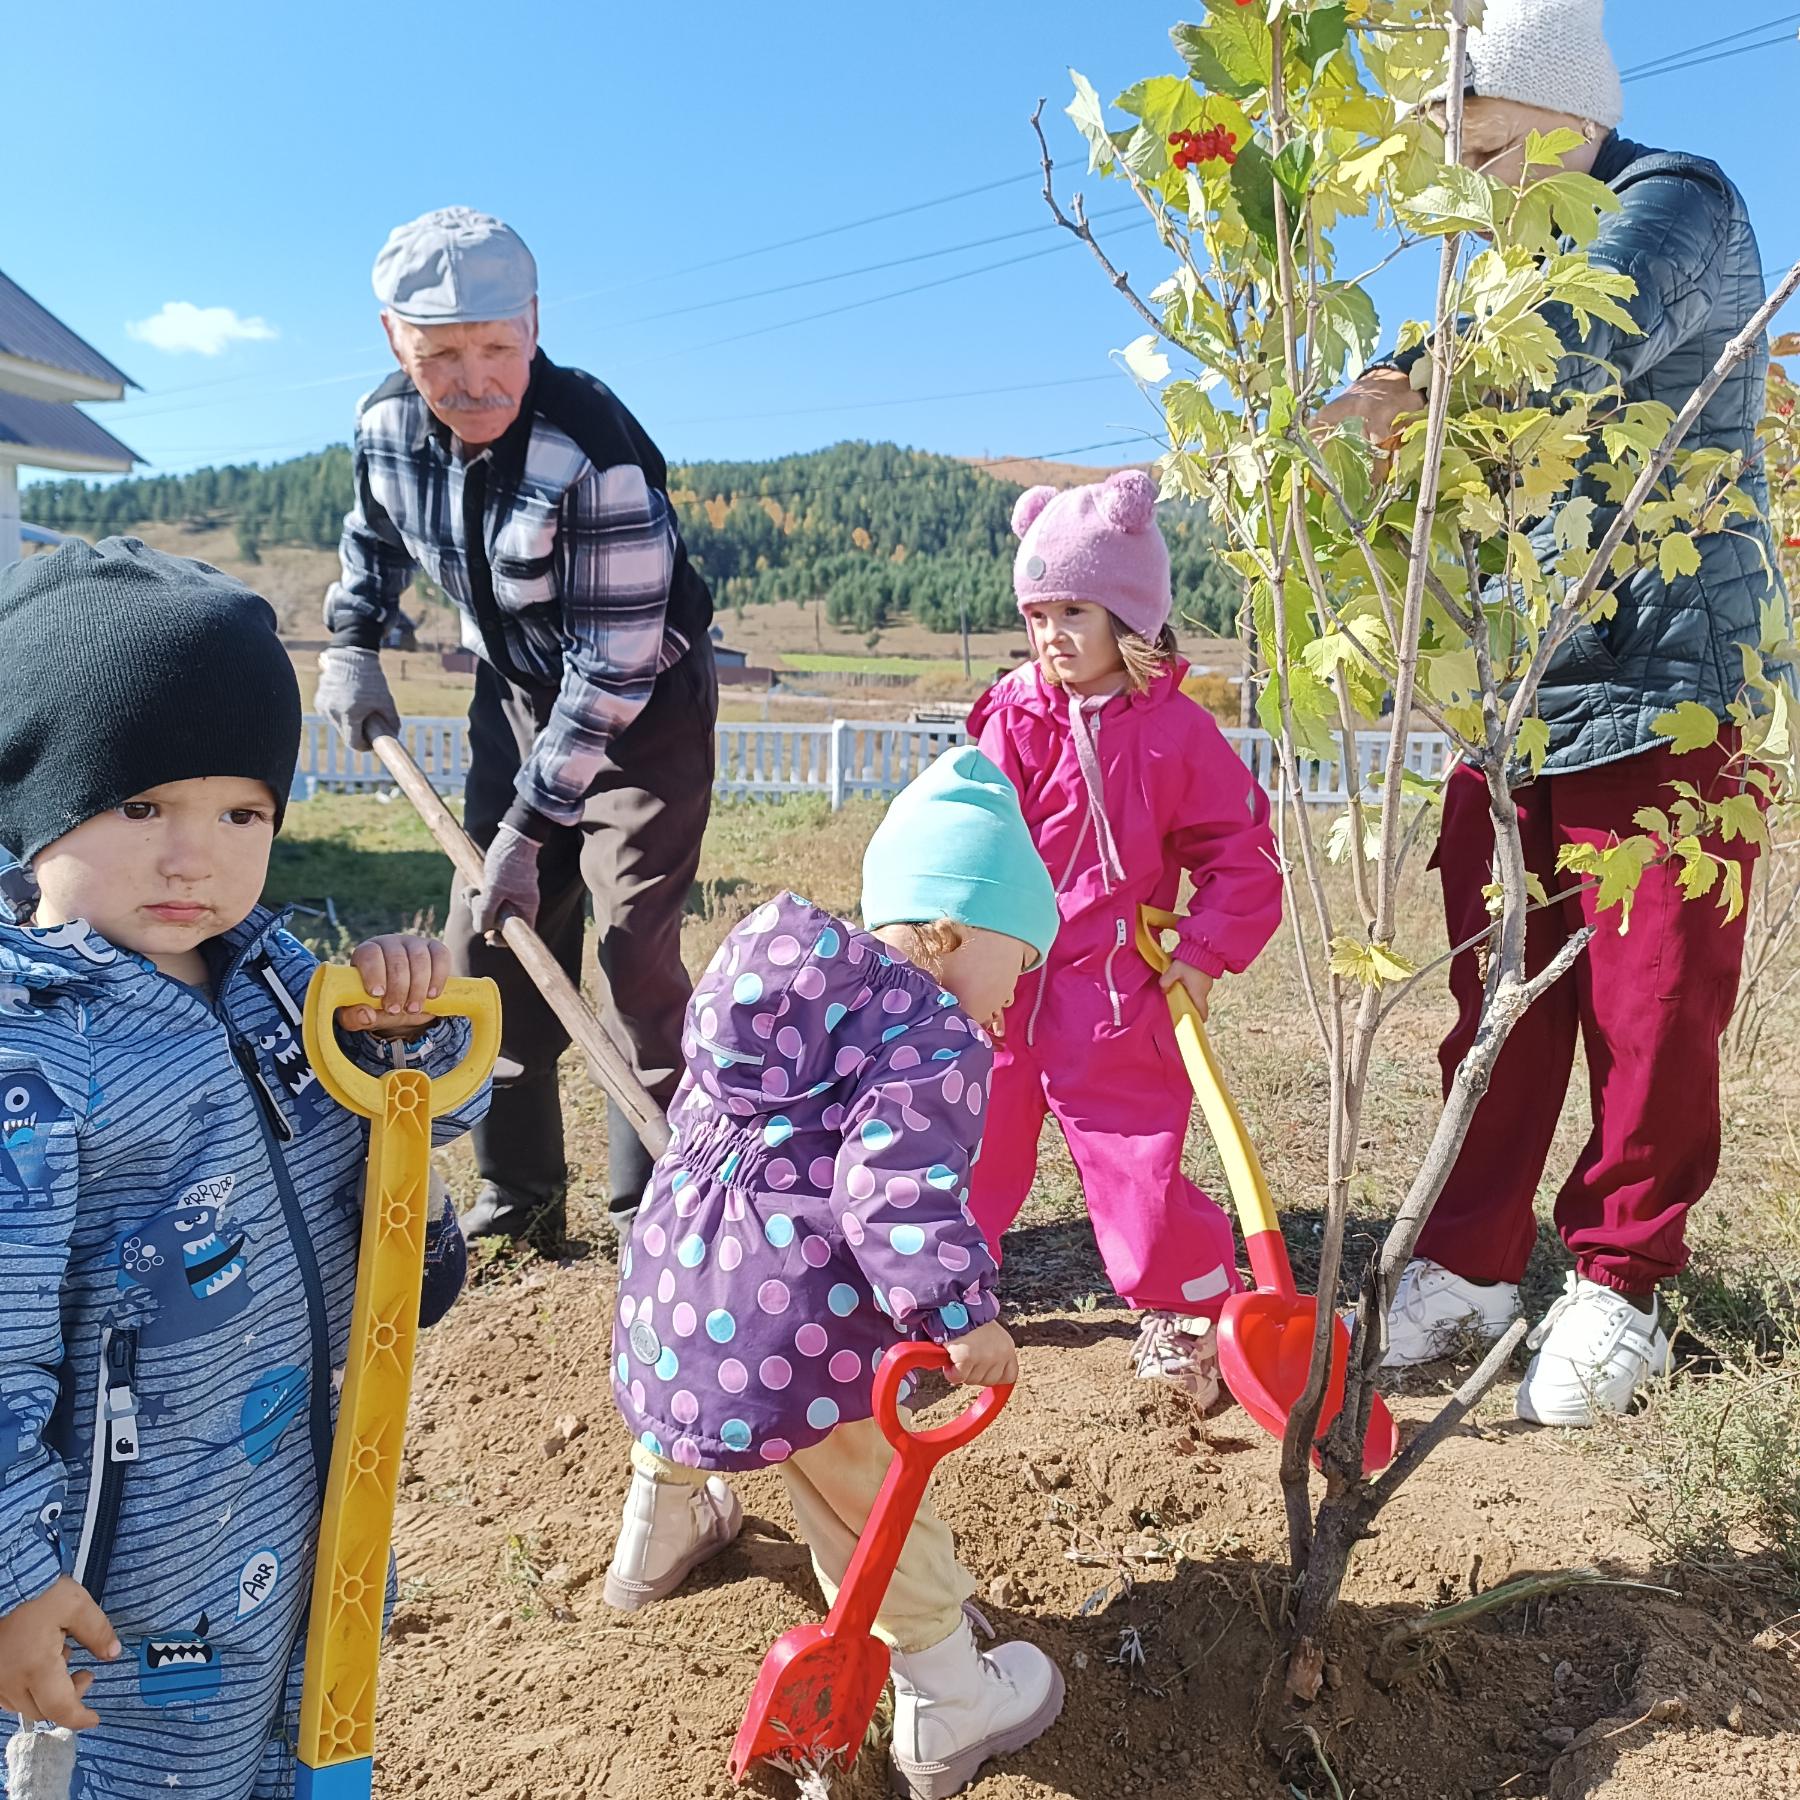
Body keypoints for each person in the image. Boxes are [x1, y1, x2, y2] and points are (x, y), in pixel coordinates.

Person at [1317, 0, 1789, 1423]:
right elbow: (1403, 399)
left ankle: (1622, 1282)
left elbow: (1555, 370)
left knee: (1653, 1017)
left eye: (1480, 151)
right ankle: (1467, 1263)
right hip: (1518, 702)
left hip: (1667, 691)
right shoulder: (1490, 271)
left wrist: (1399, 398)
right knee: (1494, 1000)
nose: (1462, 193)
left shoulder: (1675, 203)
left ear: (1561, 123)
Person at [0, 539, 488, 1798]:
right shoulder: (33, 1052)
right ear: (34, 807)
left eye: (241, 812)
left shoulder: (277, 984)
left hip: (293, 1528)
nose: (194, 858)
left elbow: (397, 1150)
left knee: (288, 1763)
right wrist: (11, 1572)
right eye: (142, 805)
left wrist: (408, 1029)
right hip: (110, 1594)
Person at [602, 748, 1064, 1800]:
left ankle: (655, 1540)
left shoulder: (782, 980)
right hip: (793, 1333)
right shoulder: (933, 1035)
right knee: (863, 1493)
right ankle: (949, 1700)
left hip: (678, 1283)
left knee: (688, 1395)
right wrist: (960, 1314)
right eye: (1018, 956)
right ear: (948, 932)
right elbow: (895, 1190)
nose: (1019, 985)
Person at [314, 206, 717, 1250]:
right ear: (394, 340)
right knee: (489, 941)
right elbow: (373, 538)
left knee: (634, 947)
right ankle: (522, 1190)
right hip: (515, 695)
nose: (475, 379)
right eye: (441, 354)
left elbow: (616, 664)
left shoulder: (592, 449)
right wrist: (352, 640)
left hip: (641, 711)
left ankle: (655, 1209)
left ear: (533, 324)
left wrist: (528, 833)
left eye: (498, 346)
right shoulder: (383, 427)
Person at [964, 472, 1283, 1401]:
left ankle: (1182, 1306)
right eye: (1037, 611)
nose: (1051, 633)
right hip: (1003, 981)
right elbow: (974, 843)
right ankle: (942, 1298)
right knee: (970, 1139)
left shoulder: (1176, 732)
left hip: (1114, 991)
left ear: (1129, 615)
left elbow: (1241, 854)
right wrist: (961, 953)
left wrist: (1201, 952)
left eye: (1074, 609)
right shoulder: (1011, 718)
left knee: (1134, 1156)